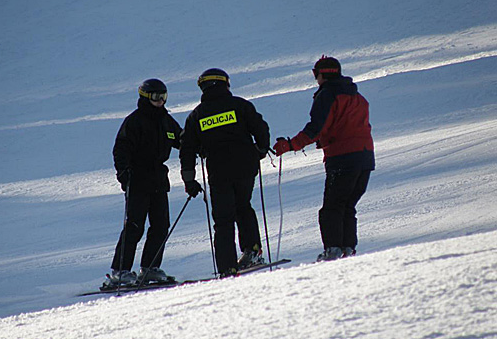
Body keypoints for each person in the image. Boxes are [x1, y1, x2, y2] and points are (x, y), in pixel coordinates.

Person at [273, 56, 374, 262]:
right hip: (365, 157)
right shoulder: (357, 96)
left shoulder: (328, 95)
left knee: (332, 208)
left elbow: (316, 128)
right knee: (347, 205)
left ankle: (333, 251)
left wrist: (291, 145)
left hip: (342, 157)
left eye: (315, 73)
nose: (315, 79)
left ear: (324, 74)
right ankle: (347, 249)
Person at [179, 68, 270, 277]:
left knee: (223, 219)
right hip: (246, 167)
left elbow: (187, 149)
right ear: (225, 84)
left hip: (219, 172)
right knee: (243, 206)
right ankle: (252, 250)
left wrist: (189, 180)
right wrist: (261, 150)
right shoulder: (241, 105)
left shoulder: (197, 115)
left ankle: (227, 266)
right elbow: (261, 128)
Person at [107, 78, 182, 286]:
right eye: (157, 97)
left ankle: (150, 268)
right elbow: (120, 149)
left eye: (164, 97)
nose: (161, 101)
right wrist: (124, 174)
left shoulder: (166, 121)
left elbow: (181, 139)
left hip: (158, 180)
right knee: (134, 226)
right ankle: (119, 271)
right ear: (145, 97)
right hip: (138, 180)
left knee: (160, 225)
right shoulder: (134, 121)